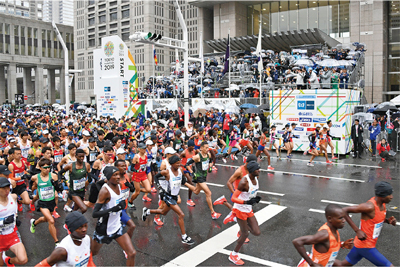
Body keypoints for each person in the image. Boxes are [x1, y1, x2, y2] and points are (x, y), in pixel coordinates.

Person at [337, 181, 396, 266]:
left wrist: (387, 221)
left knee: (343, 265)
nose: (391, 197)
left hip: (360, 245)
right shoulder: (369, 207)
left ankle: (320, 263)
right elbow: (344, 210)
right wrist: (357, 231)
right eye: (389, 194)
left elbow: (375, 219)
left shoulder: (382, 204)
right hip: (366, 246)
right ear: (382, 196)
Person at [142, 155, 196, 245]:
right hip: (168, 196)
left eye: (179, 162)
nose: (179, 164)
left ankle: (147, 211)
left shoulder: (180, 170)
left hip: (175, 196)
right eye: (177, 163)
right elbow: (156, 177)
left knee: (163, 212)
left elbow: (182, 181)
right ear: (171, 164)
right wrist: (160, 188)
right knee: (181, 215)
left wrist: (191, 185)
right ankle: (184, 237)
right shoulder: (167, 172)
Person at [91, 166, 136, 266]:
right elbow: (95, 214)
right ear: (108, 177)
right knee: (92, 253)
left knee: (132, 253)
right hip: (103, 229)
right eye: (114, 175)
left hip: (116, 227)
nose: (118, 177)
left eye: (118, 174)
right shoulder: (105, 191)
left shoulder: (119, 185)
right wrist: (113, 209)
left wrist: (121, 205)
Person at [228, 161, 262, 266]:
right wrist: (246, 202)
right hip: (240, 209)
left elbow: (251, 193)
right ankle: (233, 255)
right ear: (252, 171)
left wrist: (255, 199)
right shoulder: (244, 182)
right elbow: (233, 198)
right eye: (257, 169)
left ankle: (233, 218)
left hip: (248, 209)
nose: (259, 170)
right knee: (245, 234)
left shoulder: (255, 178)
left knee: (256, 232)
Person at [29, 158, 64, 246]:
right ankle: (56, 242)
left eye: (48, 167)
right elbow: (31, 183)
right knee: (51, 221)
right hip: (43, 203)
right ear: (40, 168)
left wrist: (57, 185)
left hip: (51, 201)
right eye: (45, 168)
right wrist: (31, 190)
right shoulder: (35, 177)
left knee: (46, 219)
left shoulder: (53, 176)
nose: (47, 169)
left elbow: (58, 188)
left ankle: (34, 223)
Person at [185, 142, 221, 219]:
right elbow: (187, 164)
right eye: (206, 148)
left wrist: (210, 167)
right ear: (201, 148)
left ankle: (184, 183)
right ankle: (213, 213)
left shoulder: (208, 155)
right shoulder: (197, 157)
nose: (207, 149)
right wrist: (192, 173)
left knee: (196, 191)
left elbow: (210, 161)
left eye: (208, 148)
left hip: (204, 176)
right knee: (208, 193)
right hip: (199, 177)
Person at [0, 177, 28, 267]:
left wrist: (15, 218)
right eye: (3, 188)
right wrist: (3, 222)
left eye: (8, 187)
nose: (6, 190)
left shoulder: (13, 197)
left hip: (12, 234)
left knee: (23, 259)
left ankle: (9, 261)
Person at [58, 149, 91, 214]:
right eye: (80, 157)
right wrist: (60, 181)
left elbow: (89, 175)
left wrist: (88, 181)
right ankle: (76, 221)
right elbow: (60, 173)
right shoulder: (70, 166)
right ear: (76, 156)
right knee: (84, 208)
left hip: (81, 191)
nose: (81, 158)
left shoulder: (87, 165)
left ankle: (68, 224)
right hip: (73, 192)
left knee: (75, 211)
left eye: (83, 156)